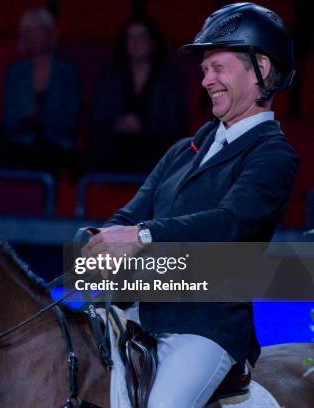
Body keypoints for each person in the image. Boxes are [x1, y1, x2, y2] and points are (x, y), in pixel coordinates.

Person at [81, 3, 297, 407]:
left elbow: (229, 224)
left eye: (218, 67)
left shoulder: (272, 155)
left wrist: (142, 235)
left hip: (205, 327)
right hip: (144, 318)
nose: (206, 80)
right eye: (203, 70)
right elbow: (133, 213)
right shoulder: (185, 150)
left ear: (261, 69)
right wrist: (99, 239)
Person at [88, 17, 188, 173]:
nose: (135, 42)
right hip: (116, 145)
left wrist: (143, 127)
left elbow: (176, 124)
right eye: (130, 37)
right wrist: (117, 125)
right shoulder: (111, 77)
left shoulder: (168, 80)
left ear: (152, 42)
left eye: (141, 37)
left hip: (155, 147)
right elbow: (98, 120)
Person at [0, 8, 80, 174]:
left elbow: (71, 120)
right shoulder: (15, 73)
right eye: (28, 32)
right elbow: (7, 119)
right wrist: (25, 117)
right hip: (21, 144)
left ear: (50, 34)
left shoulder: (68, 73)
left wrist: (44, 118)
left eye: (38, 31)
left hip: (57, 144)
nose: (33, 37)